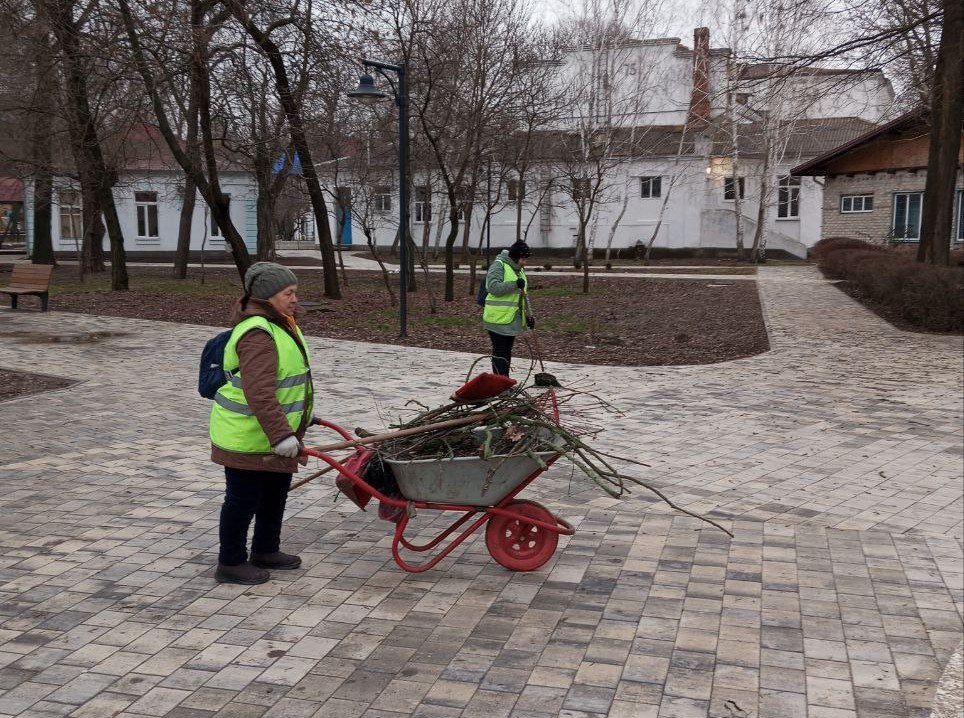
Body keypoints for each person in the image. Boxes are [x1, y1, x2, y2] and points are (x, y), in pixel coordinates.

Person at [209, 262, 314, 584]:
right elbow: (259, 390)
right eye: (289, 293)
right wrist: (282, 434)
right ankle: (230, 562)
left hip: (268, 433)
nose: (295, 298)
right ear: (269, 296)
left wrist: (300, 420)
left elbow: (285, 382)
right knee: (242, 499)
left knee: (274, 493)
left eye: (295, 292)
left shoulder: (279, 324)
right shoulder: (258, 332)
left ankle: (266, 549)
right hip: (247, 436)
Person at [482, 239, 535, 375]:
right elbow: (492, 287)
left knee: (506, 351)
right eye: (523, 259)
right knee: (500, 352)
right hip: (497, 318)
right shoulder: (499, 265)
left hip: (511, 319)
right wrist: (514, 284)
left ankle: (503, 381)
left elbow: (522, 295)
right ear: (515, 257)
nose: (524, 262)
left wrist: (529, 316)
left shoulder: (519, 270)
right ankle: (499, 382)